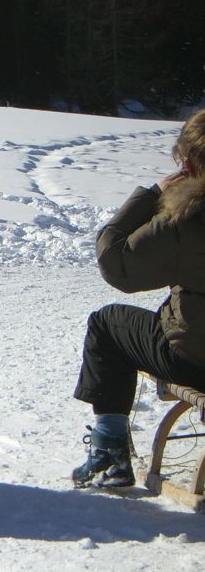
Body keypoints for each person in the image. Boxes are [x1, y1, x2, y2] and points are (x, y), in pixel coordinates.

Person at [72, 109, 205, 488]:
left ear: (190, 163)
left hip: (196, 361)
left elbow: (116, 265)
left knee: (107, 325)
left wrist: (152, 196)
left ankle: (110, 455)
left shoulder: (188, 218)